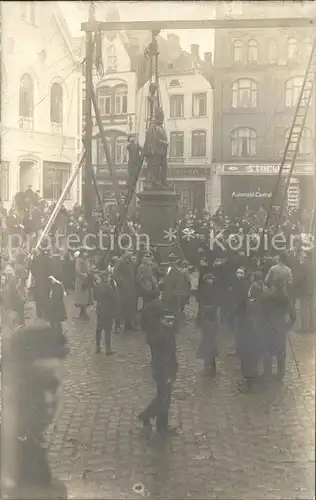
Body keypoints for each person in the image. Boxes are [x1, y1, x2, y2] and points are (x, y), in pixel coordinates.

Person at [139, 297, 178, 437]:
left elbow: (172, 352)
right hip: (161, 369)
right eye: (168, 320)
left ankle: (161, 424)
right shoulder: (158, 333)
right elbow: (159, 352)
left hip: (168, 367)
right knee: (163, 397)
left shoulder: (166, 331)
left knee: (164, 397)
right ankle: (148, 417)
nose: (171, 323)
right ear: (161, 319)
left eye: (172, 320)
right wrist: (166, 372)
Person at [261, 277, 296, 381]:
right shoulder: (285, 298)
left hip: (267, 327)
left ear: (273, 286)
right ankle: (280, 374)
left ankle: (267, 373)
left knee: (267, 352)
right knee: (280, 352)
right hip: (280, 328)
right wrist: (287, 326)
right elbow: (293, 316)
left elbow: (260, 313)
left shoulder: (265, 297)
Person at [196, 273, 219, 376]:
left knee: (208, 342)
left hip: (209, 317)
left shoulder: (207, 289)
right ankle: (209, 366)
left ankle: (209, 366)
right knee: (209, 342)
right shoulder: (210, 289)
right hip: (209, 318)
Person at [94, 269, 116, 355]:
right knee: (107, 330)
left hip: (100, 310)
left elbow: (95, 297)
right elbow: (114, 298)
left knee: (98, 329)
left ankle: (97, 347)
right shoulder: (108, 287)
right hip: (108, 310)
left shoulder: (97, 286)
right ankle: (108, 349)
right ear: (106, 277)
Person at [74, 248, 93, 321]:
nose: (87, 254)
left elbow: (88, 269)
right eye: (85, 252)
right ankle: (83, 313)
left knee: (86, 297)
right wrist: (84, 275)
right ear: (82, 253)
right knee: (82, 297)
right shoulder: (79, 260)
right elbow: (77, 271)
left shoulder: (86, 260)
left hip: (86, 281)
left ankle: (83, 313)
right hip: (81, 281)